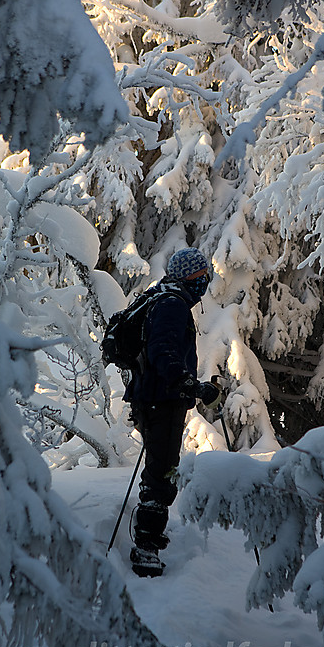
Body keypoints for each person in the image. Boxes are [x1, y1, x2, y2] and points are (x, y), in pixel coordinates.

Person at [124, 247, 221, 577]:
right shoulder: (171, 305)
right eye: (202, 277)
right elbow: (163, 353)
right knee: (162, 473)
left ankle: (149, 538)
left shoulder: (164, 299)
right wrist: (191, 386)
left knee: (160, 468)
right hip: (160, 399)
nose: (205, 283)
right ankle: (145, 549)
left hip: (155, 397)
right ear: (192, 278)